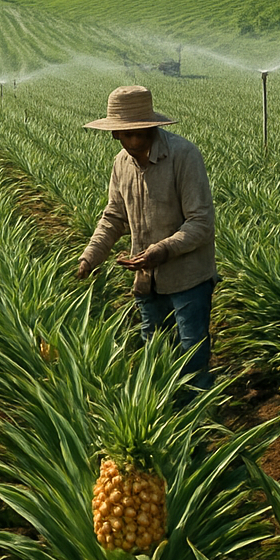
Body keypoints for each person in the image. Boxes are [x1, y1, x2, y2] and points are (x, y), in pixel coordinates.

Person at [75, 85, 217, 389]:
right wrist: (90, 256)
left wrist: (162, 250)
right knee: (156, 355)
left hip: (188, 279)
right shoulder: (121, 165)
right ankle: (166, 419)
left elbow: (201, 222)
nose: (136, 140)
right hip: (146, 279)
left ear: (153, 126)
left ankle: (199, 425)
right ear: (115, 134)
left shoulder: (183, 156)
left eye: (142, 132)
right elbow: (114, 216)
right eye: (128, 134)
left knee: (191, 357)